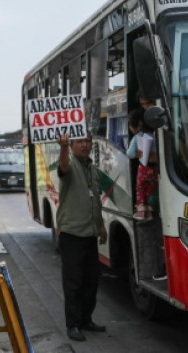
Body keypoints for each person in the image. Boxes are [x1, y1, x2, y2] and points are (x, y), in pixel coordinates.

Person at [56, 132, 108, 342]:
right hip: (72, 234)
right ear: (72, 145)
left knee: (91, 281)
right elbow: (64, 167)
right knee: (73, 283)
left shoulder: (92, 170)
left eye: (88, 141)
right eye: (80, 142)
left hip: (90, 233)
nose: (85, 145)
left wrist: (101, 226)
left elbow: (95, 200)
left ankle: (86, 319)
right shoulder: (69, 165)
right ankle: (73, 324)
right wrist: (62, 147)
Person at [126, 107, 157, 221]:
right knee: (150, 189)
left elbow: (129, 154)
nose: (130, 128)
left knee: (140, 188)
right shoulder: (153, 135)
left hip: (144, 168)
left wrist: (135, 154)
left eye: (131, 125)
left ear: (139, 124)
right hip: (154, 169)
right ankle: (149, 212)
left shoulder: (137, 137)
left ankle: (141, 212)